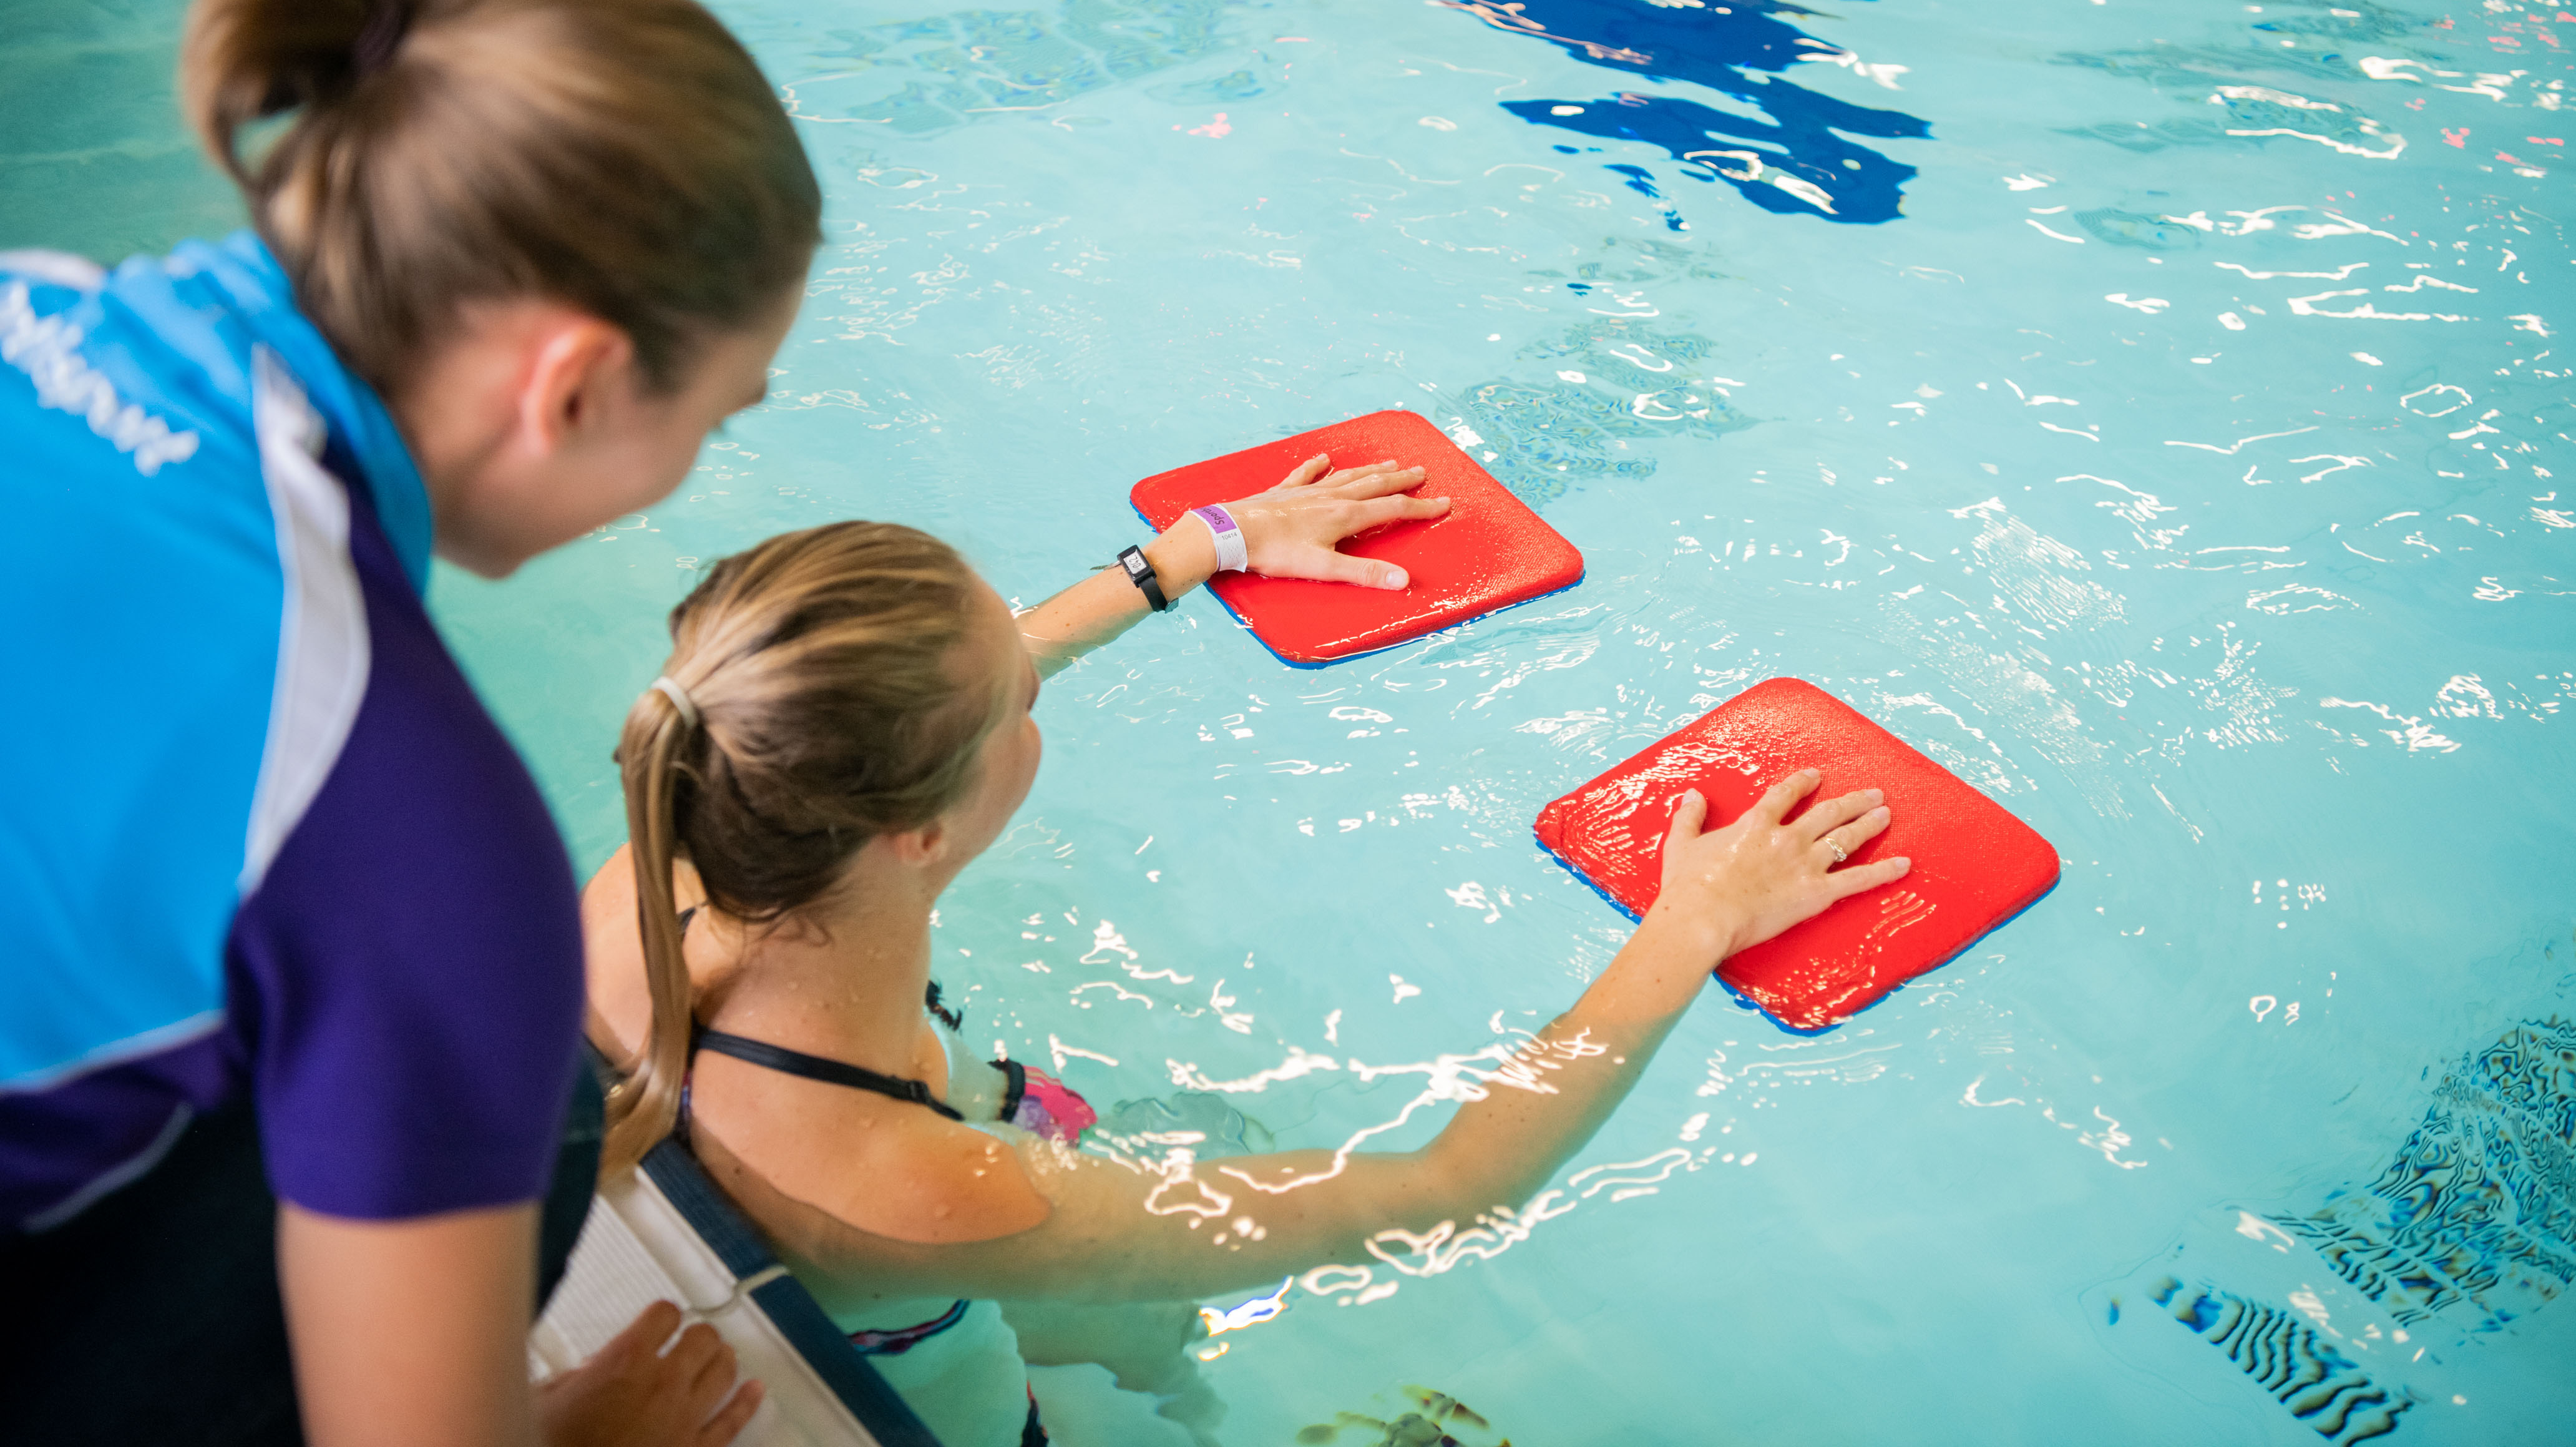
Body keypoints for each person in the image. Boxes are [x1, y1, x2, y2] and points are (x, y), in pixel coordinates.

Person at [0, 0, 819, 1445]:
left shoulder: (30, 296)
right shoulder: (401, 812)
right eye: (712, 415)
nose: (687, 463)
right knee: (527, 1089)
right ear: (572, 382)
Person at [581, 517, 1910, 1446]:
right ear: (916, 827)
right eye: (1016, 701)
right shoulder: (922, 1193)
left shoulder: (676, 841)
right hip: (957, 1386)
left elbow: (877, 715)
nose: (1031, 675)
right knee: (1169, 1359)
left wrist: (1185, 555)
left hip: (894, 1230)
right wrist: (1697, 916)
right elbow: (1454, 1189)